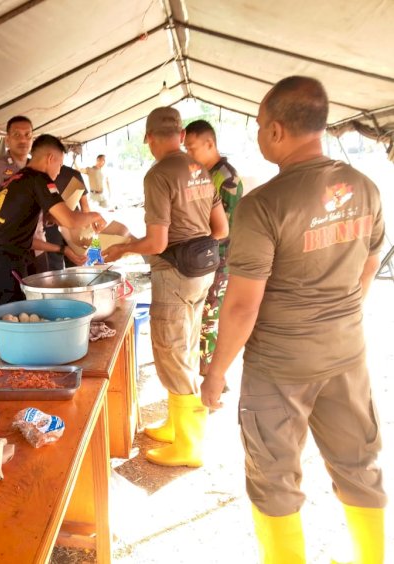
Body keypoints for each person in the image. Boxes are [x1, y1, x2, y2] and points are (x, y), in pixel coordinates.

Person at [201, 76, 386, 563]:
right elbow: (372, 256)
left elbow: (242, 305)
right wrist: (344, 310)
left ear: (278, 131)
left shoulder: (264, 204)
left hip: (280, 367)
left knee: (275, 479)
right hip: (346, 355)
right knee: (359, 465)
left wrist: (216, 371)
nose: (260, 134)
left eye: (261, 125)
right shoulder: (364, 187)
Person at [103, 107, 228, 468]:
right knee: (186, 349)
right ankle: (177, 425)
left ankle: (189, 447)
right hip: (202, 272)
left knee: (171, 352)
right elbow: (221, 229)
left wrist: (125, 246)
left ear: (149, 137)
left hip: (174, 274)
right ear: (180, 133)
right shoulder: (199, 169)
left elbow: (157, 243)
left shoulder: (158, 174)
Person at [0, 135, 105, 309]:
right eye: (60, 164)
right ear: (50, 158)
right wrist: (95, 216)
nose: (59, 170)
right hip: (5, 265)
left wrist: (63, 249)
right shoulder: (39, 178)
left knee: (15, 318)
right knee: (10, 321)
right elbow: (69, 220)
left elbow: (22, 237)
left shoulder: (17, 180)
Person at [184, 119, 244, 377]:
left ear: (210, 144)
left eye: (192, 147)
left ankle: (210, 375)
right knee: (200, 314)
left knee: (209, 316)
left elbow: (223, 229)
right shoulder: (205, 175)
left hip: (219, 259)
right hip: (204, 257)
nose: (189, 153)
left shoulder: (226, 178)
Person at [0, 116, 33, 239]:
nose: (23, 140)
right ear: (7, 140)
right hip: (4, 241)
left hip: (35, 243)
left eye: (27, 135)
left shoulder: (36, 168)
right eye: (17, 135)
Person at [35, 165, 89, 272]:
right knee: (67, 265)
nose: (58, 171)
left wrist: (86, 230)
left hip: (65, 224)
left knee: (62, 266)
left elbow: (85, 206)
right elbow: (85, 207)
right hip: (60, 225)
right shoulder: (73, 174)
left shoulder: (39, 175)